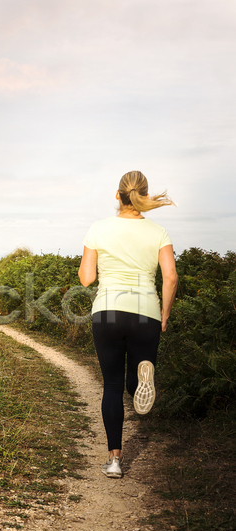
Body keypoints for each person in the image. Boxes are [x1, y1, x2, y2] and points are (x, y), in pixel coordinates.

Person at [78, 170, 178, 478]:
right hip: (146, 311)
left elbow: (87, 278)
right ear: (144, 196)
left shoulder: (98, 228)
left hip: (108, 311)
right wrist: (164, 315)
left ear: (117, 196)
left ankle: (115, 461)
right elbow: (171, 276)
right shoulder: (158, 232)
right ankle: (140, 383)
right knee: (135, 380)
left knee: (111, 385)